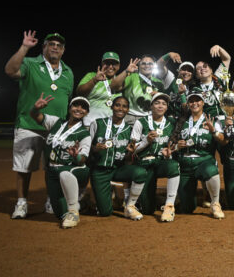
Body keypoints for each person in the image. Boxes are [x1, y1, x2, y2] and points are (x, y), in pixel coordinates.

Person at [6, 31, 74, 219]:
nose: (55, 47)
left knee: (53, 167)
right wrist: (25, 47)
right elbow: (11, 71)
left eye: (59, 45)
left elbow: (66, 99)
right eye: (51, 44)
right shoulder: (30, 63)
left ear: (63, 50)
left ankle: (50, 200)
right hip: (29, 123)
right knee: (24, 167)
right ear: (43, 47)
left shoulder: (68, 71)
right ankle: (21, 203)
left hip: (56, 128)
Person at [29, 94, 91, 228]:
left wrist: (76, 156)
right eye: (76, 105)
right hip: (52, 170)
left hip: (74, 169)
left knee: (64, 174)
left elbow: (82, 160)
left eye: (84, 107)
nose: (79, 109)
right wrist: (35, 108)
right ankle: (81, 204)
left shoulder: (84, 133)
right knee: (59, 213)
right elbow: (35, 115)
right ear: (70, 108)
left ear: (87, 112)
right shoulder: (56, 122)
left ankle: (74, 212)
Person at [88, 95, 148, 220]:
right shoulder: (98, 123)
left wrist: (131, 153)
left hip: (118, 169)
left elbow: (127, 159)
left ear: (127, 110)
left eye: (124, 106)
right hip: (100, 170)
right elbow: (87, 149)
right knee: (105, 212)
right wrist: (95, 148)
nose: (121, 108)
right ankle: (105, 192)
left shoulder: (128, 129)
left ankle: (130, 206)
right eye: (117, 105)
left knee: (140, 173)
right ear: (112, 106)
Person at [173, 88, 225, 219]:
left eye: (197, 100)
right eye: (191, 101)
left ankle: (215, 203)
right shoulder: (181, 121)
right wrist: (177, 146)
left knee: (211, 170)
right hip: (185, 164)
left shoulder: (212, 119)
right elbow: (170, 144)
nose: (194, 103)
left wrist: (213, 131)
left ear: (203, 103)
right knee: (187, 208)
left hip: (203, 160)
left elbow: (223, 140)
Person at [130, 93, 181, 222]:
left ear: (167, 107)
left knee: (173, 166)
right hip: (144, 164)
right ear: (151, 106)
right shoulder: (140, 122)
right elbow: (132, 149)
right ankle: (149, 200)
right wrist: (146, 141)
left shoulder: (171, 123)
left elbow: (172, 146)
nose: (160, 106)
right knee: (147, 210)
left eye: (164, 104)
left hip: (160, 162)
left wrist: (171, 151)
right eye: (157, 103)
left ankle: (169, 206)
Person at [76, 52, 139, 126]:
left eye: (114, 64)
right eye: (107, 63)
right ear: (102, 64)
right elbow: (79, 92)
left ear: (118, 66)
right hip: (90, 124)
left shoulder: (120, 80)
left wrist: (127, 71)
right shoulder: (92, 75)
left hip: (111, 126)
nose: (110, 66)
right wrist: (94, 80)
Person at [119, 55, 167, 125]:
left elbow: (163, 103)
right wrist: (126, 71)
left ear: (154, 66)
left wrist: (159, 96)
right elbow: (114, 86)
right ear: (139, 66)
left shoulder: (159, 83)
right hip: (130, 118)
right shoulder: (131, 77)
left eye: (150, 64)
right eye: (143, 63)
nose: (147, 66)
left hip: (150, 118)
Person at [194, 45, 232, 119]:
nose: (202, 68)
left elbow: (227, 59)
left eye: (205, 66)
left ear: (211, 70)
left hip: (226, 120)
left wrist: (219, 48)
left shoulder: (219, 77)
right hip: (208, 123)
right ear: (197, 75)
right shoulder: (195, 90)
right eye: (198, 68)